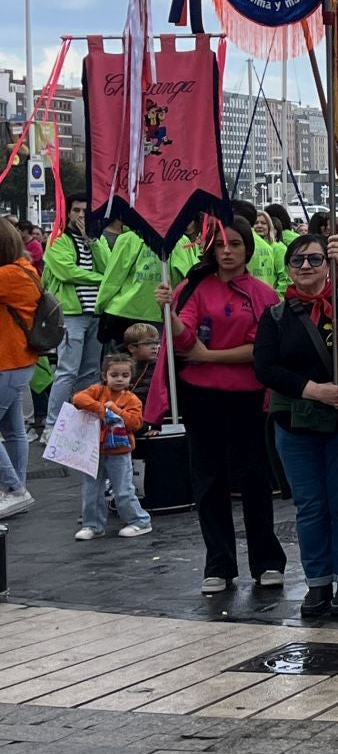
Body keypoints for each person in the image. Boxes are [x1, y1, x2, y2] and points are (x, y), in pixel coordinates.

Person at [154, 221, 287, 596]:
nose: (228, 251)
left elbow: (261, 350)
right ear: (211, 249)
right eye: (221, 245)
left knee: (255, 479)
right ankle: (219, 564)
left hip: (249, 397)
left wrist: (210, 355)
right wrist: (173, 314)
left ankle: (267, 562)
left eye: (236, 244)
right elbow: (184, 341)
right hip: (201, 396)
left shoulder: (264, 295)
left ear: (249, 249)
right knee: (208, 481)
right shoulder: (191, 288)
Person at [253, 233, 338, 620]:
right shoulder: (275, 316)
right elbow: (265, 368)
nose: (306, 267)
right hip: (296, 423)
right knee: (311, 506)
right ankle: (317, 582)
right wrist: (312, 390)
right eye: (298, 260)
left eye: (316, 259)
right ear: (287, 268)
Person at [70, 350, 154, 542]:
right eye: (114, 375)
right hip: (94, 450)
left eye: (124, 375)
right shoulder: (97, 391)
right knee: (91, 490)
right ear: (104, 376)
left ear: (130, 377)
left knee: (123, 489)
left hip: (120, 451)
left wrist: (114, 410)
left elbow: (135, 423)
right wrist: (102, 409)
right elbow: (78, 399)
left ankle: (140, 521)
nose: (119, 379)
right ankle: (93, 525)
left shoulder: (132, 399)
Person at [43, 197, 106, 425]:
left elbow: (109, 266)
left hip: (95, 313)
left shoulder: (96, 239)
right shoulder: (57, 239)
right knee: (67, 371)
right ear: (67, 212)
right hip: (71, 314)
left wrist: (93, 243)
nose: (81, 215)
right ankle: (52, 424)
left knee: (90, 372)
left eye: (86, 211)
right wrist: (101, 280)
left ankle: (82, 423)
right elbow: (66, 272)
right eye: (77, 210)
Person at [0, 219, 42, 518]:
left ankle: (13, 489)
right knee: (14, 431)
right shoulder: (23, 269)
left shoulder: (8, 275)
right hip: (18, 361)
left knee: (14, 431)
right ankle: (15, 490)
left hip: (7, 361)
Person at [95, 233, 172, 350]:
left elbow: (113, 279)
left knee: (120, 363)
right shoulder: (179, 240)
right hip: (160, 313)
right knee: (155, 362)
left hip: (122, 313)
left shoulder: (129, 238)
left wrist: (100, 308)